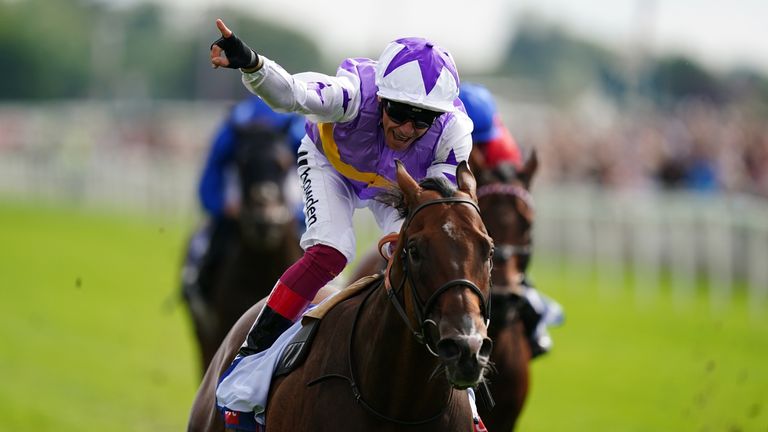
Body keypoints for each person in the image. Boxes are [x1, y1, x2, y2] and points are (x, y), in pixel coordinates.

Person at [209, 19, 473, 362]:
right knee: (332, 251)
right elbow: (293, 93)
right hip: (329, 166)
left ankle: (459, 383)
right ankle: (254, 351)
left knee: (428, 253)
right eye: (399, 111)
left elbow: (443, 212)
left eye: (423, 118)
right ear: (379, 97)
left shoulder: (453, 135)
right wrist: (252, 63)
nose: (407, 128)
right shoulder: (351, 93)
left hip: (394, 186)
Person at [459, 82, 564, 358]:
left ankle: (531, 307)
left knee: (511, 233)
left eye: (483, 141)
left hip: (485, 210)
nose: (479, 148)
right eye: (474, 141)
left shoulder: (501, 146)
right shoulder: (434, 138)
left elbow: (509, 193)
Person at [181, 95, 305, 305]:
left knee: (320, 244)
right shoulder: (233, 127)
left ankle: (332, 288)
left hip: (287, 198)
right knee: (204, 242)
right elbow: (210, 178)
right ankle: (197, 285)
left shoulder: (295, 126)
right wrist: (222, 207)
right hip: (241, 200)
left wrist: (299, 212)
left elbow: (318, 175)